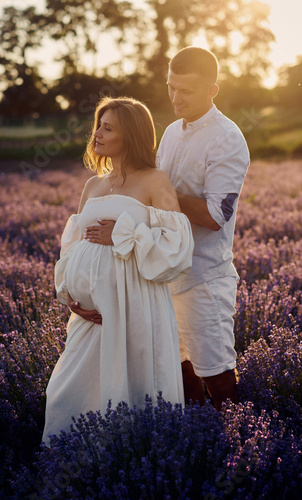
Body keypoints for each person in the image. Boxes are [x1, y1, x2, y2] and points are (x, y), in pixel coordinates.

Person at [42, 96, 194, 446]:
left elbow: (177, 247)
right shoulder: (93, 185)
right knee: (68, 390)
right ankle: (72, 464)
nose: (97, 134)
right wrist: (69, 295)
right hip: (90, 315)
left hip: (136, 305)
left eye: (108, 128)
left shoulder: (155, 181)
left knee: (133, 385)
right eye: (98, 125)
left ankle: (132, 465)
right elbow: (74, 244)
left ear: (132, 135)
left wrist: (124, 234)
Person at [157, 46, 250, 410]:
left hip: (204, 277)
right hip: (166, 274)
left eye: (187, 91)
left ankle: (238, 450)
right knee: (180, 370)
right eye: (171, 87)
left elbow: (214, 216)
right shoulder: (169, 132)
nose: (176, 98)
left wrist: (162, 193)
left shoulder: (227, 137)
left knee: (218, 375)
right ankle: (198, 444)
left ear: (213, 89)